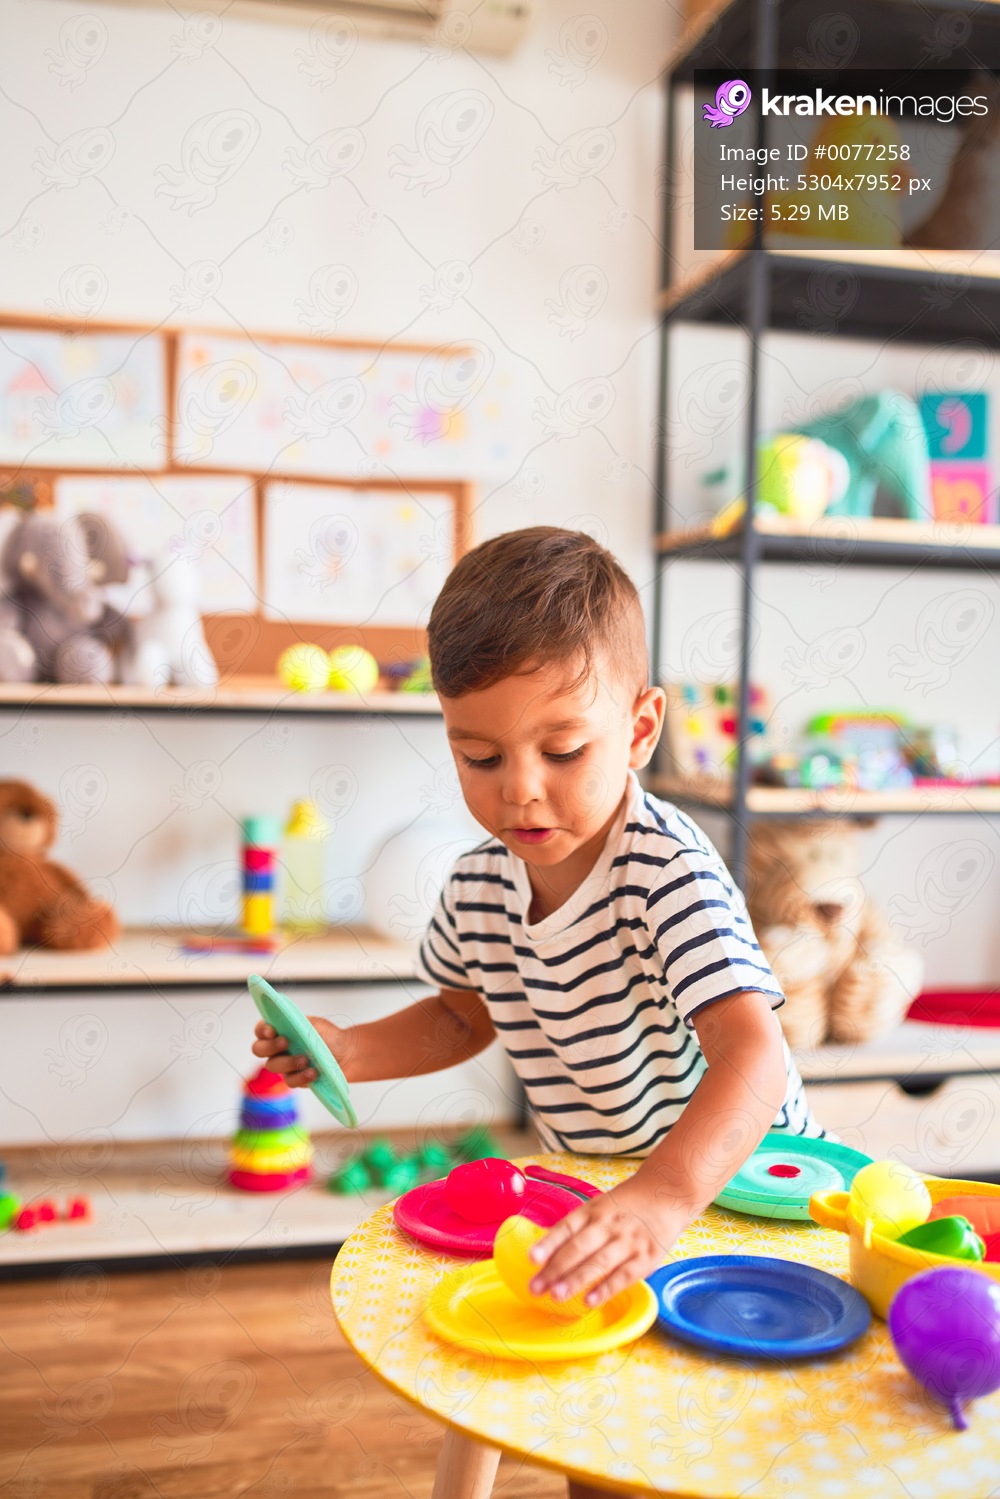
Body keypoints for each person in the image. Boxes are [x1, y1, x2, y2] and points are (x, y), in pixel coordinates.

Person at [253, 524, 823, 1317]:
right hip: (610, 1196)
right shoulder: (477, 884)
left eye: (561, 750)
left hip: (748, 1191)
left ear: (640, 730)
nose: (519, 789)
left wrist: (665, 1193)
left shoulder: (665, 868)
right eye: (480, 757)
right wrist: (348, 1050)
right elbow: (461, 1018)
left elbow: (753, 1052)